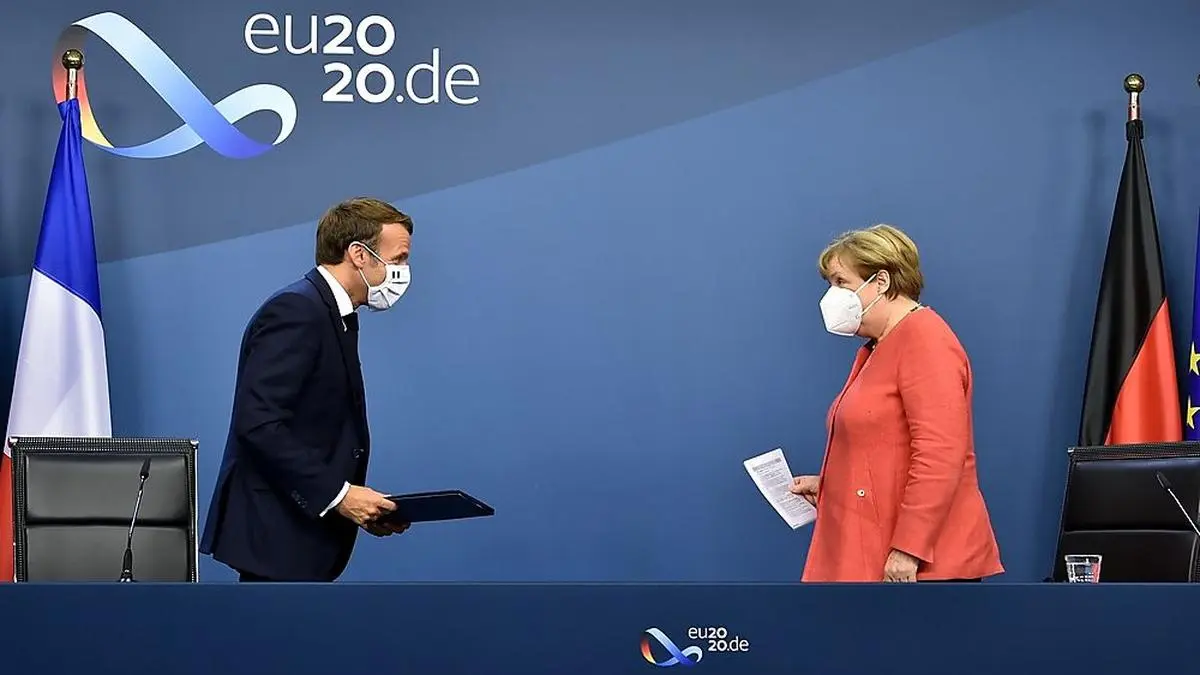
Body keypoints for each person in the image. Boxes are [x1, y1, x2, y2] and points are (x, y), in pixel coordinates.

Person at [200, 197, 415, 582]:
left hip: (303, 538)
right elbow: (259, 423)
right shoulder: (297, 311)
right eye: (397, 260)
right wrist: (340, 495)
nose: (402, 272)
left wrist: (353, 503)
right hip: (277, 536)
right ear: (359, 255)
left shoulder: (335, 313)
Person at [791, 224, 1003, 582]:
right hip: (868, 548)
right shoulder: (880, 347)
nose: (832, 295)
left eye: (841, 282)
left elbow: (940, 454)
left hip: (918, 567)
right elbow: (881, 448)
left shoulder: (924, 341)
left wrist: (909, 548)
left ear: (882, 281)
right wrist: (831, 484)